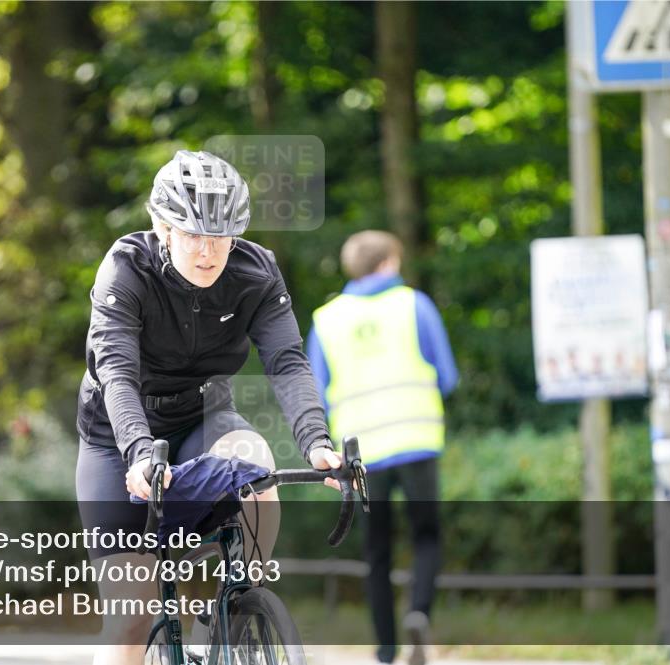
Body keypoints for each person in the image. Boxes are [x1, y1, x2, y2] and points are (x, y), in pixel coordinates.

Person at [76, 149, 343, 665]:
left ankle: (228, 610)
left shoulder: (255, 272)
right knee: (131, 615)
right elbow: (117, 372)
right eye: (193, 235)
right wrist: (139, 453)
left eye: (222, 236)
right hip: (117, 434)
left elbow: (287, 361)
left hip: (202, 415)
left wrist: (316, 441)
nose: (208, 252)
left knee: (256, 465)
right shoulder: (126, 269)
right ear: (163, 228)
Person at [307, 230, 458, 665]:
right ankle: (419, 612)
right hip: (417, 441)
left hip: (362, 456)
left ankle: (386, 649)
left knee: (376, 552)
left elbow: (314, 394)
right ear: (388, 262)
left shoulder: (327, 320)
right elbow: (447, 376)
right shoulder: (414, 304)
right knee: (426, 536)